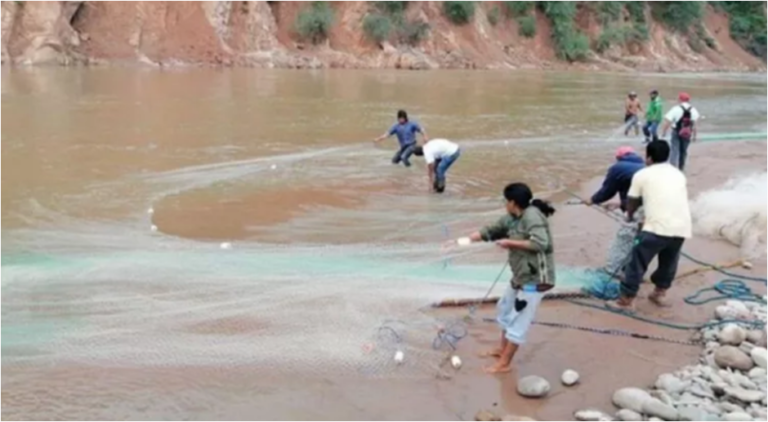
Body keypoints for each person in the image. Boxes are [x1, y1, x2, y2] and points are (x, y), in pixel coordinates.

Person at [450, 183, 556, 373]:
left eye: (505, 201)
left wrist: (510, 242)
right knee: (505, 309)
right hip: (520, 276)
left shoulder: (532, 216)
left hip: (535, 280)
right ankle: (502, 349)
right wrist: (460, 242)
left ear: (513, 202)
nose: (504, 204)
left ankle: (505, 364)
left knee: (519, 320)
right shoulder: (513, 217)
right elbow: (491, 230)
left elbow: (541, 243)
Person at [607, 140, 691, 312]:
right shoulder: (678, 174)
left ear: (649, 157)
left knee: (636, 262)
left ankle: (626, 301)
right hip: (681, 228)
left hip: (656, 228)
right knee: (669, 262)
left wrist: (630, 216)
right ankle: (659, 293)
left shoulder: (642, 174)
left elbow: (633, 201)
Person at [585, 146, 645, 278]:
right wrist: (620, 204)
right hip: (653, 209)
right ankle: (631, 269)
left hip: (639, 211)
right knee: (639, 240)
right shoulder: (644, 165)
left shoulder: (618, 168)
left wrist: (593, 200)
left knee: (624, 238)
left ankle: (611, 271)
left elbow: (608, 191)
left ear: (618, 158)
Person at [660, 92, 700, 172]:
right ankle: (681, 168)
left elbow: (667, 122)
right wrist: (695, 136)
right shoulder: (693, 110)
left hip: (676, 132)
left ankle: (672, 168)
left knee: (674, 149)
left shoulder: (676, 109)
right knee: (683, 151)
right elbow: (695, 125)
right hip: (688, 133)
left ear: (680, 99)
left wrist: (663, 132)